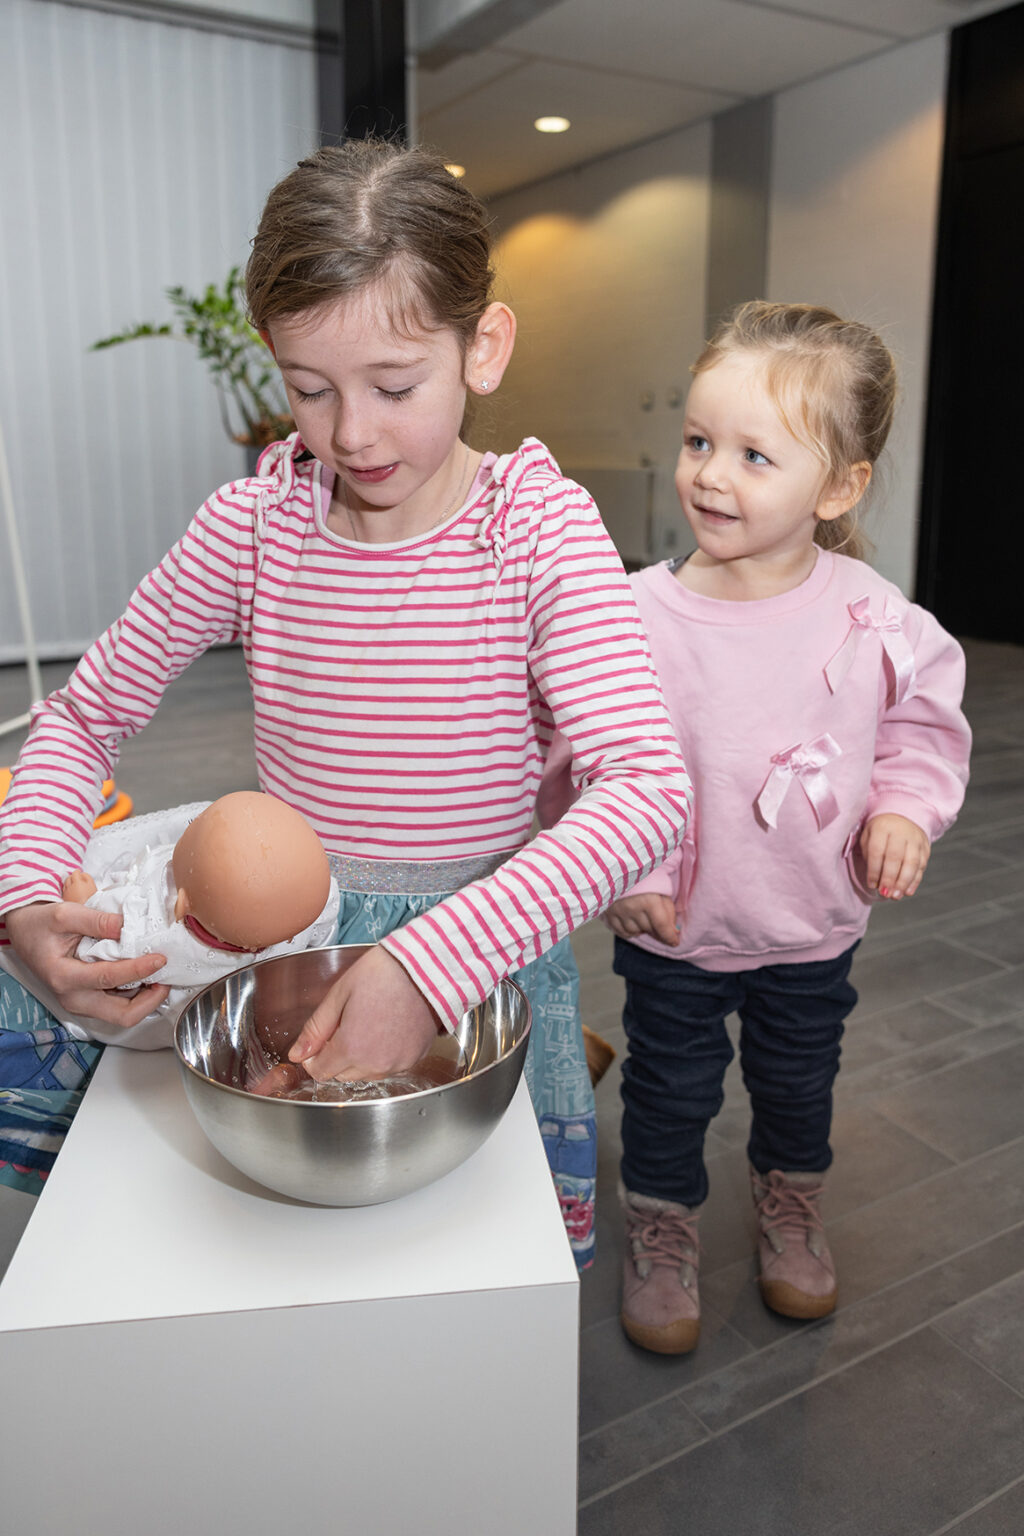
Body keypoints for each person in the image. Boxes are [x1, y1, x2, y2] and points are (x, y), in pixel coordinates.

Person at [0, 139, 693, 1265]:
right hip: (289, 942)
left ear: (485, 349)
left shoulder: (537, 531)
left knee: (466, 1266)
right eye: (308, 390)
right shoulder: (251, 529)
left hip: (482, 954)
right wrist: (26, 894)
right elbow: (81, 720)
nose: (352, 433)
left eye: (394, 385)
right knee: (274, 1257)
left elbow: (647, 792)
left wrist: (432, 965)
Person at [539, 300, 970, 1338]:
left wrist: (904, 809)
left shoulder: (874, 615)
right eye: (697, 442)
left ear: (838, 487)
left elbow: (922, 723)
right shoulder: (632, 615)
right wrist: (618, 870)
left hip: (812, 921)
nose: (710, 475)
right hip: (677, 930)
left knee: (796, 1083)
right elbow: (578, 756)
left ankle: (790, 1203)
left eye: (751, 456)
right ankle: (661, 1224)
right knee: (669, 1088)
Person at [0, 791, 340, 1049]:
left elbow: (91, 950)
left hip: (143, 1023)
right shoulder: (303, 910)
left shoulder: (147, 925)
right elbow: (323, 922)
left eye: (190, 831)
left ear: (181, 904)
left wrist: (86, 900)